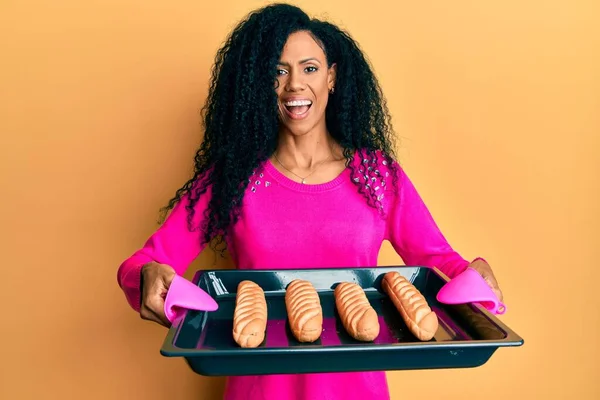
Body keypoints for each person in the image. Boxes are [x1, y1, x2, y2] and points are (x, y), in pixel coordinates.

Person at [116, 3, 504, 400]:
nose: (294, 85)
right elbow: (143, 263)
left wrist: (475, 272)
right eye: (277, 71)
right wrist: (144, 276)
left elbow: (439, 261)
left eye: (309, 68)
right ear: (258, 84)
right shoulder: (232, 179)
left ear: (332, 77)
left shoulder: (377, 175)